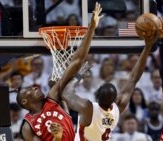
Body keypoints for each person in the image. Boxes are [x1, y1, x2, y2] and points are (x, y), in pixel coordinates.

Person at [16, 3, 103, 141]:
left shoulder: (53, 96)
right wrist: (57, 137)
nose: (34, 87)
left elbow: (77, 61)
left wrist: (91, 28)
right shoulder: (28, 127)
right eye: (30, 89)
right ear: (25, 101)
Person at [61, 26, 161, 141]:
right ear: (115, 98)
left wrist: (79, 75)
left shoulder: (88, 108)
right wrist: (147, 47)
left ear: (97, 96)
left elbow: (65, 93)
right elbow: (134, 78)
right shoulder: (117, 108)